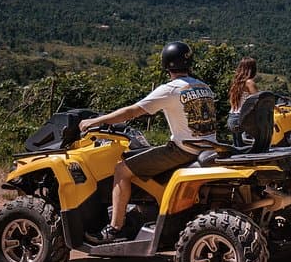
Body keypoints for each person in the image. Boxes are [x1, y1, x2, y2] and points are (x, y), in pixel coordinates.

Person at [78, 41, 217, 244]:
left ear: (166, 64)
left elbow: (132, 111)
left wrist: (97, 120)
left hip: (184, 149)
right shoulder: (203, 86)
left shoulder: (170, 89)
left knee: (121, 170)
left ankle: (115, 229)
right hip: (209, 147)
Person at [227, 56, 259, 147]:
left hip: (232, 118)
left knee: (239, 151)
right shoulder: (249, 83)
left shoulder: (236, 83)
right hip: (243, 119)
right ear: (252, 69)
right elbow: (259, 101)